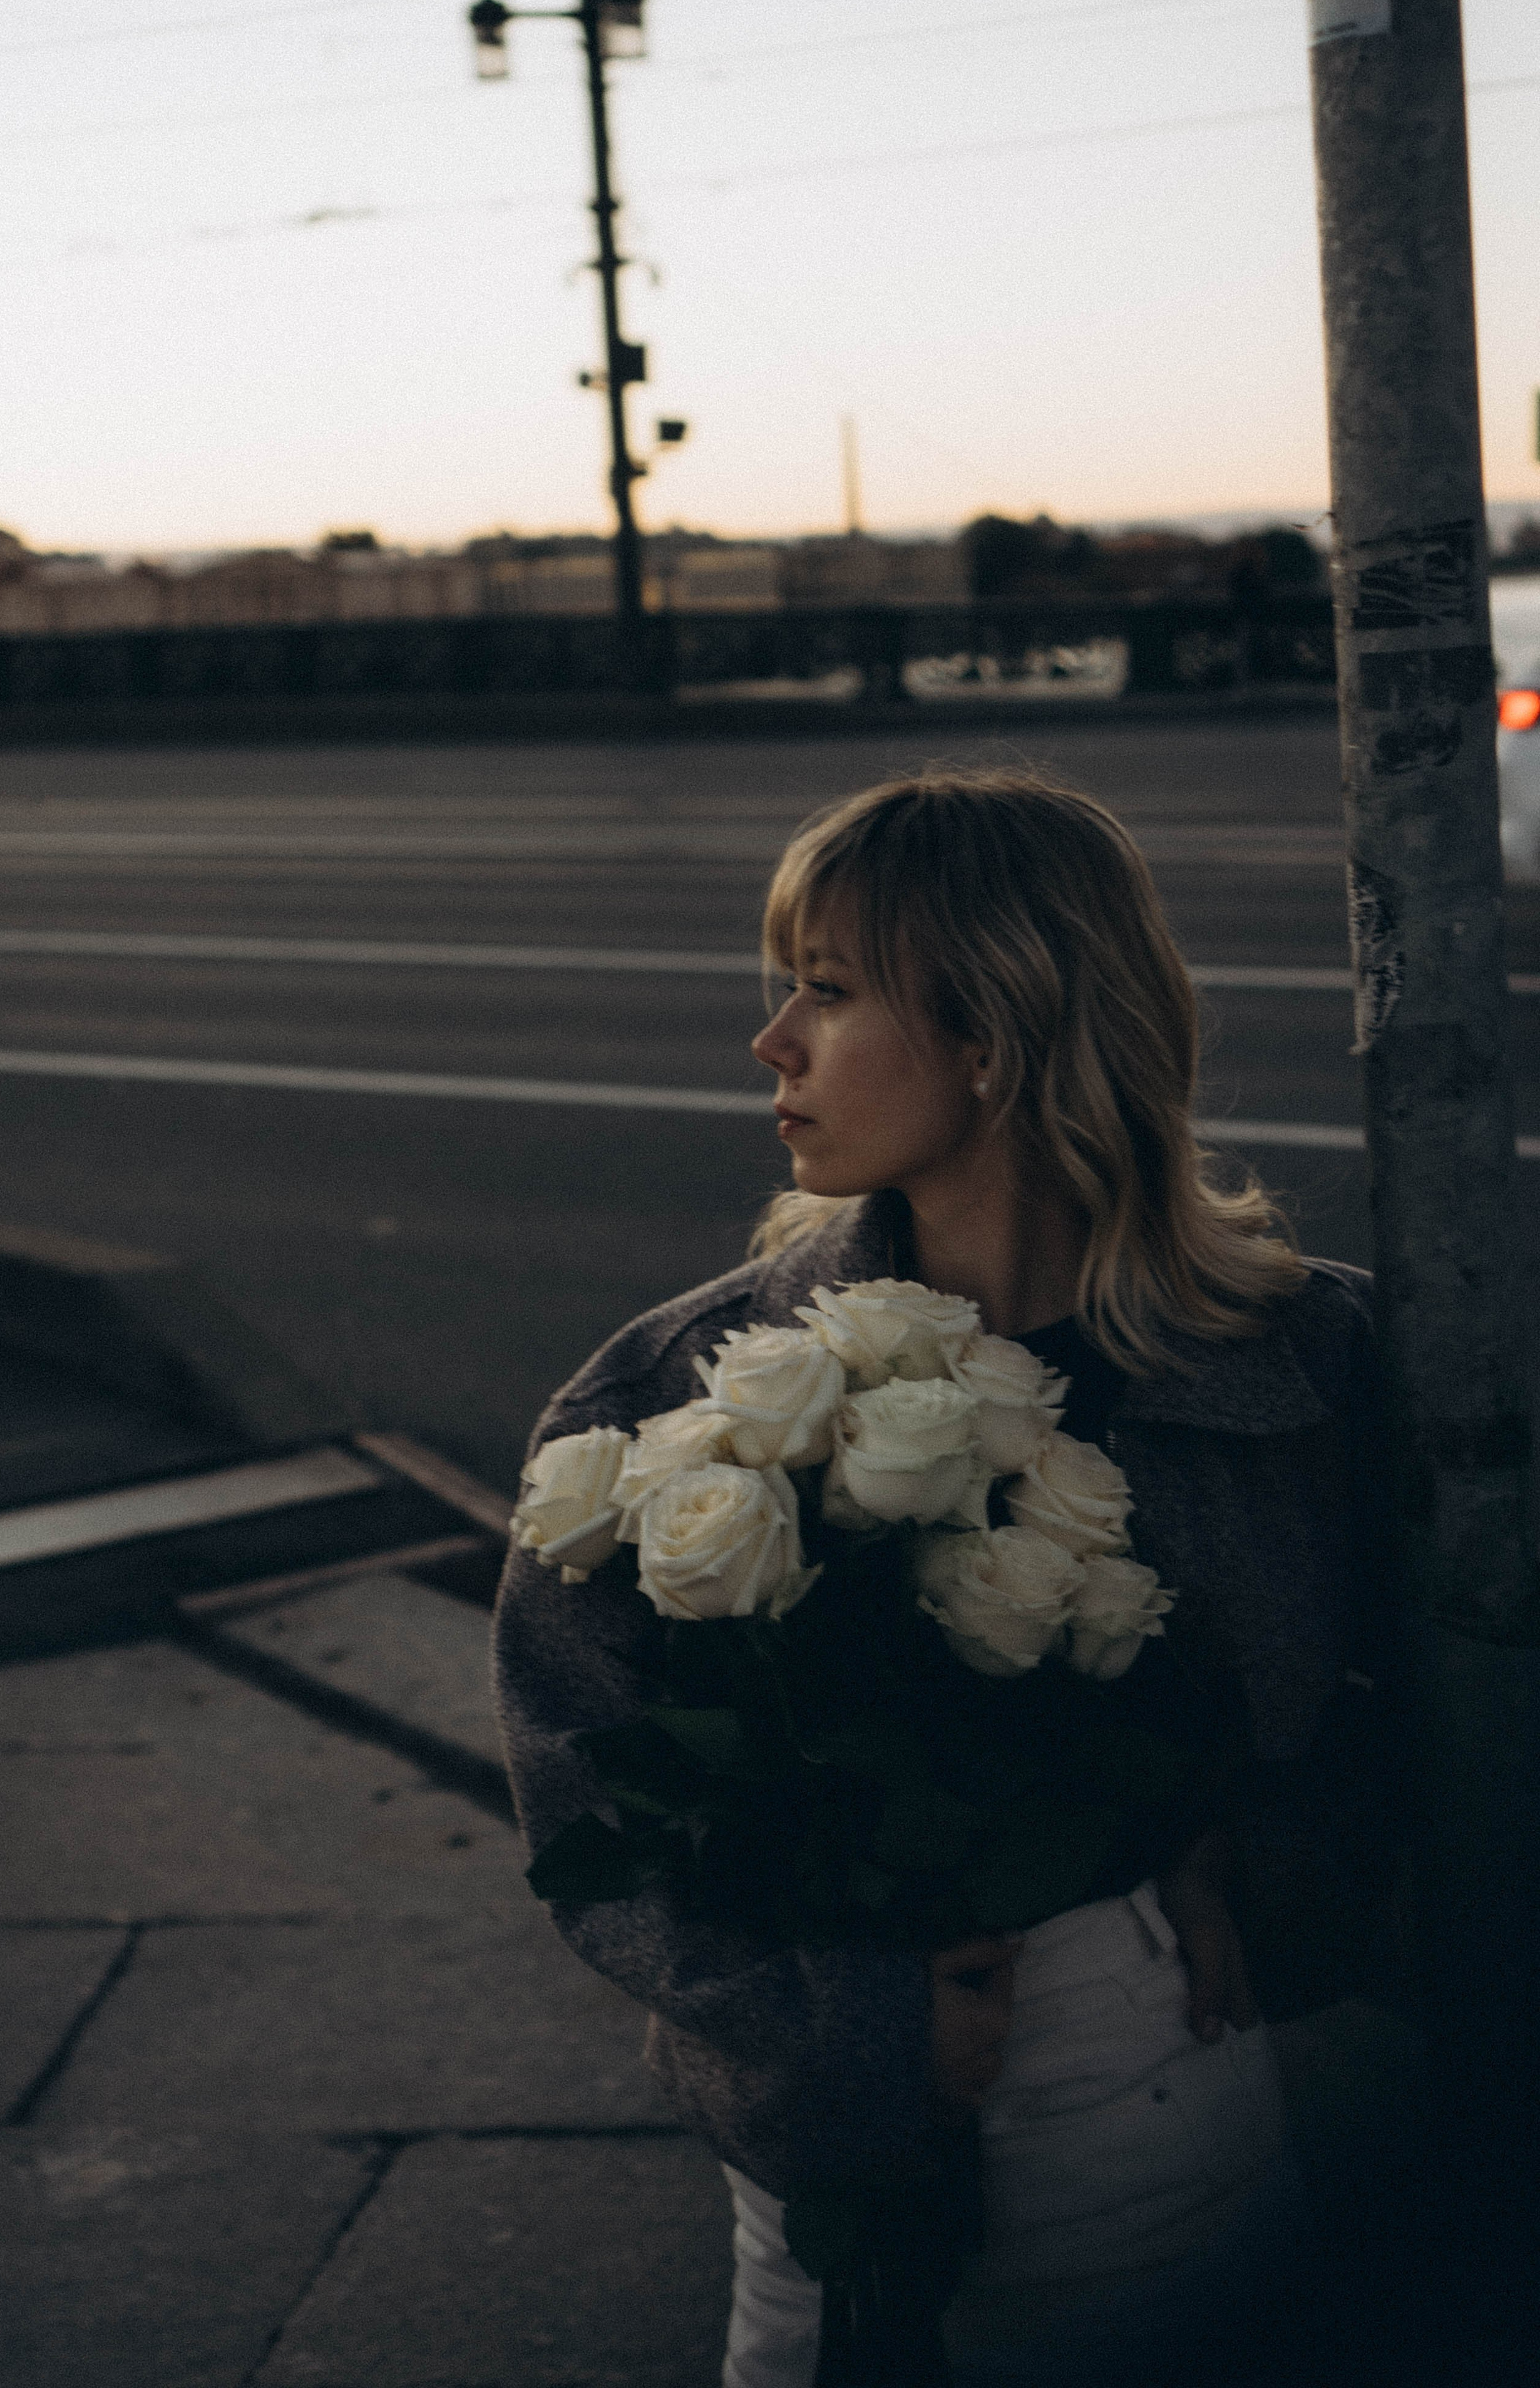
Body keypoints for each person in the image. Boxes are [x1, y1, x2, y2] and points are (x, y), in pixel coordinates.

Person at [493, 769, 1406, 2387]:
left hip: (1179, 2151)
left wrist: (1248, 1863)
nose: (772, 1040)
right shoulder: (680, 1394)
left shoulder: (1311, 1364)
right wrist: (850, 2031)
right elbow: (590, 1811)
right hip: (819, 2214)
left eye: (830, 990)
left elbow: (1440, 1705)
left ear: (996, 1034)